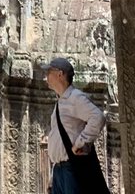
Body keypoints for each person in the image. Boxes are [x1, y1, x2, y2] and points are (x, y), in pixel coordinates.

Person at [44, 56, 108, 194]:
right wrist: (53, 176)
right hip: (60, 170)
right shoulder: (60, 102)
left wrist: (81, 142)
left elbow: (98, 117)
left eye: (48, 72)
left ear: (60, 74)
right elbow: (60, 139)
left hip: (71, 168)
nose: (46, 76)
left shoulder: (75, 97)